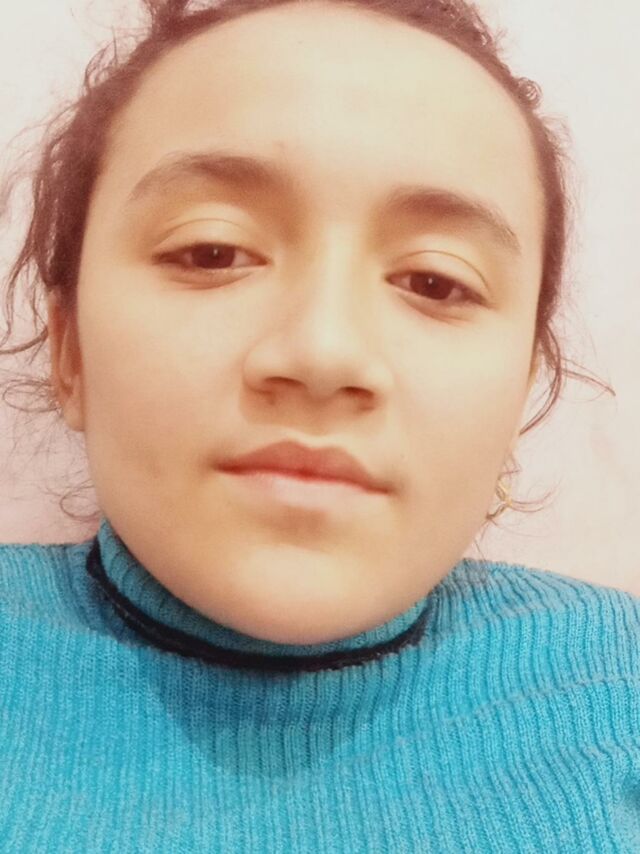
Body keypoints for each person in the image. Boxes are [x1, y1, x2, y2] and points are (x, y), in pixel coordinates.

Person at [0, 0, 637, 850]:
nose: (323, 352)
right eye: (212, 250)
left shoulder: (618, 680)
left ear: (523, 386)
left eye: (436, 282)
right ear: (70, 349)